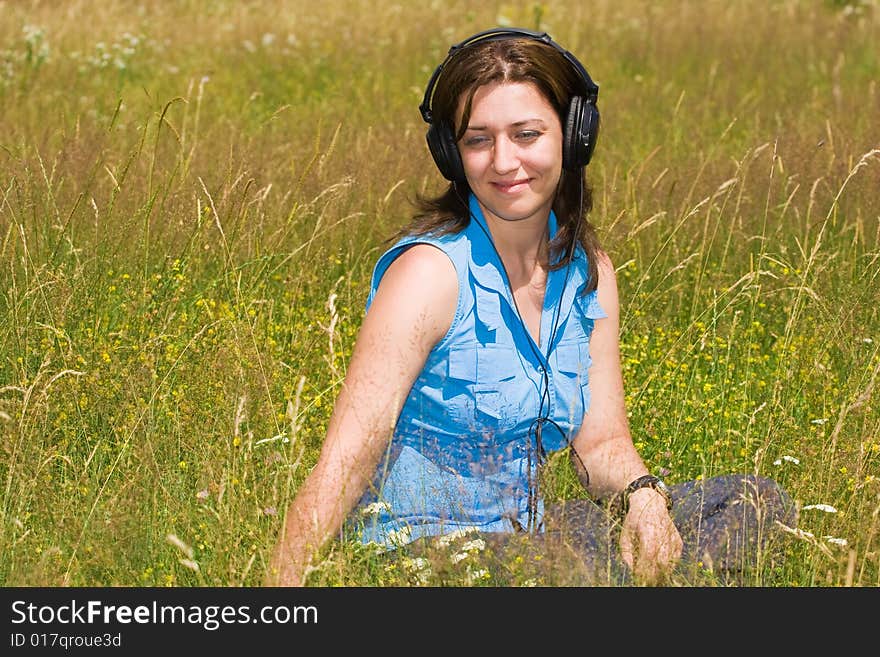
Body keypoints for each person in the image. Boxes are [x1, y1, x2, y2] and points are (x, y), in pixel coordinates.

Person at [267, 27, 797, 587]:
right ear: (451, 152)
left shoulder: (589, 271)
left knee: (752, 503)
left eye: (526, 134)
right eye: (477, 140)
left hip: (529, 539)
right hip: (420, 555)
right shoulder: (428, 275)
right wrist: (282, 596)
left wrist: (643, 500)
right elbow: (347, 458)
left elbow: (601, 442)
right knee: (574, 574)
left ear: (573, 138)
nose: (503, 161)